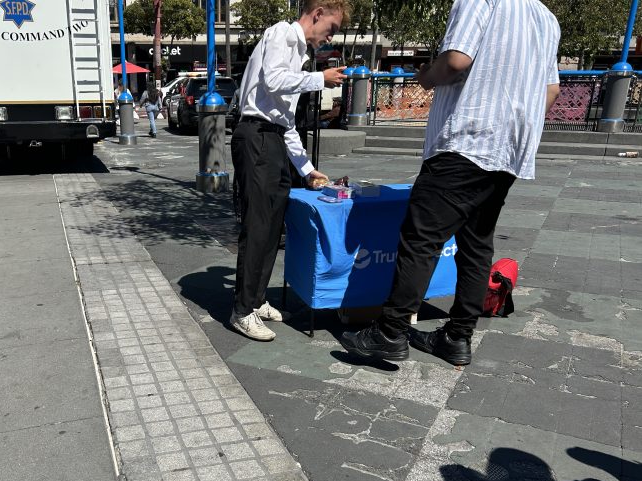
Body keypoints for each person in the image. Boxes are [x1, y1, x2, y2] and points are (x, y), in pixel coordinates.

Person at [340, 0, 560, 365]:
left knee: (421, 237)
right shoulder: (545, 17)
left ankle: (390, 332)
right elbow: (550, 92)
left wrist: (426, 75)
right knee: (476, 244)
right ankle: (457, 337)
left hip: (467, 138)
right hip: (510, 148)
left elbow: (457, 61)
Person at [229, 0, 348, 341]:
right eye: (332, 29)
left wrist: (308, 169)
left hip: (274, 138)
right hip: (256, 135)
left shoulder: (300, 56)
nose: (329, 38)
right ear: (318, 13)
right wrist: (319, 79)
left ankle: (256, 299)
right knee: (258, 224)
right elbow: (274, 80)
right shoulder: (281, 33)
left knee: (273, 225)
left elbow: (287, 122)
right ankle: (241, 310)